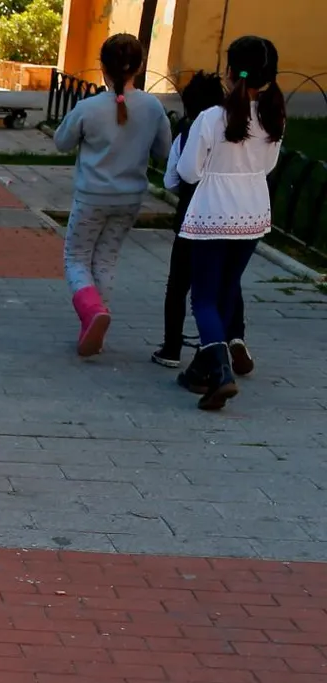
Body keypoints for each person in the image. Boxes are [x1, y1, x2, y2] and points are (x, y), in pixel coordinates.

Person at [174, 35, 284, 411]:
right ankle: (201, 371)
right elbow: (268, 167)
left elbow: (188, 172)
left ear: (229, 71)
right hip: (253, 215)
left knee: (203, 297)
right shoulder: (274, 116)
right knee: (224, 291)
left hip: (211, 214)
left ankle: (220, 373)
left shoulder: (210, 118)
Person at [52, 34, 170, 357]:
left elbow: (61, 141)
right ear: (140, 67)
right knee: (105, 259)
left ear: (101, 66)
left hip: (92, 196)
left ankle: (92, 314)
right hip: (130, 199)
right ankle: (94, 330)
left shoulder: (89, 108)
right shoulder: (153, 107)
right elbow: (164, 150)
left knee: (76, 258)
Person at [153, 71, 228, 369]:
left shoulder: (186, 133)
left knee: (178, 285)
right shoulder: (234, 132)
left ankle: (171, 347)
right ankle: (223, 342)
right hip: (227, 221)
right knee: (219, 286)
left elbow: (173, 179)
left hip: (190, 220)